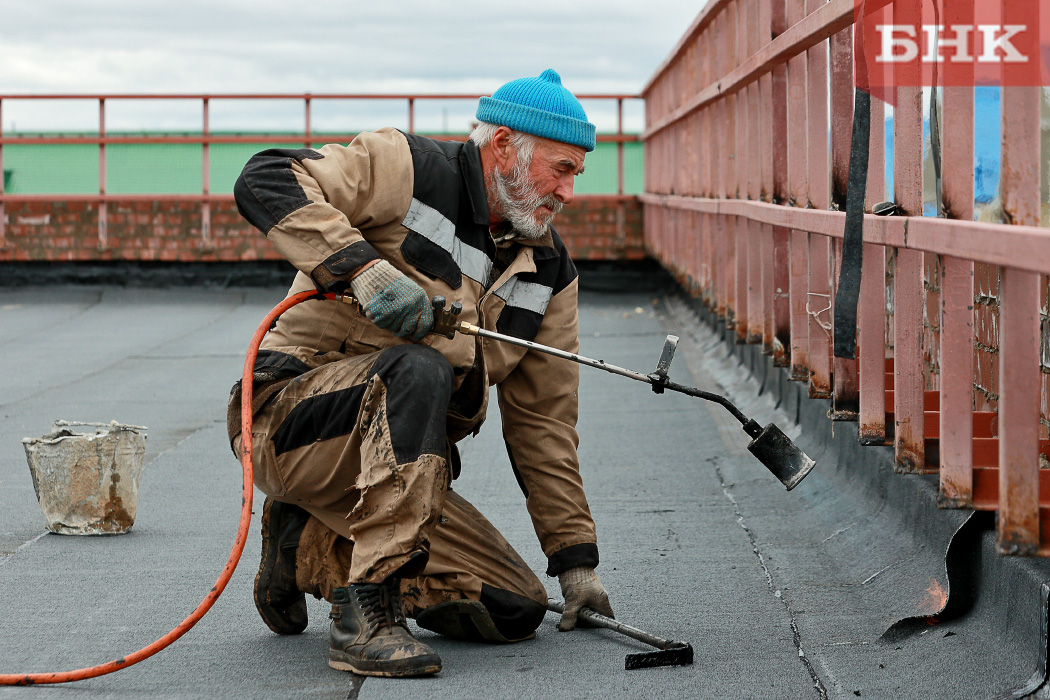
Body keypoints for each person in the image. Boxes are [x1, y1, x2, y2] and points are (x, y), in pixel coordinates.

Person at [227, 69, 615, 678]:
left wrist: (575, 562)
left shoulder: (549, 273)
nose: (568, 191)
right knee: (421, 367)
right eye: (561, 169)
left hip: (399, 470)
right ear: (505, 146)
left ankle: (307, 542)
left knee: (514, 609)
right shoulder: (406, 167)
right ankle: (367, 612)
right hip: (290, 421)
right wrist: (359, 268)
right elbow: (267, 177)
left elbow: (544, 425)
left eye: (576, 175)